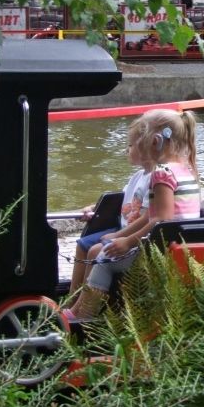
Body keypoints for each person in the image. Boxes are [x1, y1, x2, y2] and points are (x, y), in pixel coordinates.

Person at [63, 108, 200, 321]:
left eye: (137, 141)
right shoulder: (185, 169)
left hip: (159, 250)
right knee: (103, 251)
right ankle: (79, 308)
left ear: (154, 141)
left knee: (104, 257)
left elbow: (161, 220)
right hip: (178, 246)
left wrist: (127, 241)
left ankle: (85, 315)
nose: (132, 147)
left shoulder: (162, 173)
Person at [68, 118, 152, 298]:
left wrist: (121, 236)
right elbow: (121, 200)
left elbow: (149, 216)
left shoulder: (155, 179)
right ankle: (72, 296)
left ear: (145, 148)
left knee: (94, 250)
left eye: (130, 145)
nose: (126, 150)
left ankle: (84, 303)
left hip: (129, 233)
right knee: (83, 245)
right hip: (121, 228)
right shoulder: (138, 176)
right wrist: (95, 208)